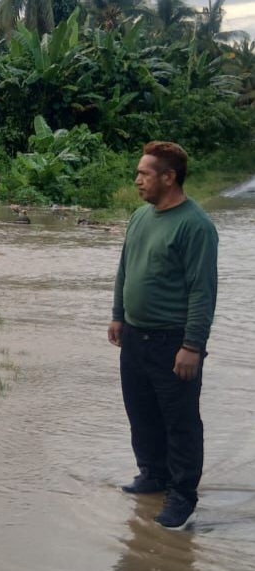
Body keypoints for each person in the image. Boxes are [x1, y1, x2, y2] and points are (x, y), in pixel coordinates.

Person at [108, 141, 218, 529]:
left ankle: (182, 496)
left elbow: (202, 291)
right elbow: (126, 267)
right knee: (141, 414)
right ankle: (153, 474)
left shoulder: (196, 225)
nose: (137, 180)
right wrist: (118, 315)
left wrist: (193, 346)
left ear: (168, 178)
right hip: (135, 337)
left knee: (181, 422)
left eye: (144, 173)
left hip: (173, 342)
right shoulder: (140, 216)